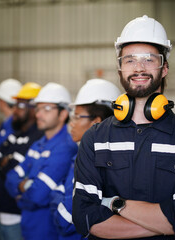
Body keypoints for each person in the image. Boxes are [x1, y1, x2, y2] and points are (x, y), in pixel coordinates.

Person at [72, 15, 175, 240]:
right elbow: (85, 217)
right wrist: (167, 225)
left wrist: (115, 204)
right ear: (120, 68)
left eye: (149, 59)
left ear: (164, 67)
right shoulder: (95, 138)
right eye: (129, 60)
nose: (138, 68)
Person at [5, 82, 78, 240]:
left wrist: (21, 192)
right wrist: (25, 186)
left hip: (47, 230)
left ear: (63, 114)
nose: (38, 114)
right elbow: (10, 178)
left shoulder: (65, 148)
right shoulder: (37, 145)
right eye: (38, 109)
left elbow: (38, 195)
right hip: (29, 226)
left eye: (46, 109)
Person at [49, 79, 121, 240]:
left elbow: (66, 217)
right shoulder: (81, 154)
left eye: (76, 117)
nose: (71, 124)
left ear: (96, 122)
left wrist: (60, 202)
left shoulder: (106, 163)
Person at [0, 82, 44, 240]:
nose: (15, 111)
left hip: (19, 214)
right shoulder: (15, 135)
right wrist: (5, 163)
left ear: (34, 110)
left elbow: (11, 170)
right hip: (3, 208)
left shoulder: (38, 139)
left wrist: (3, 163)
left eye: (20, 106)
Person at [0, 78, 22, 240]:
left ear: (2, 101)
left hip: (9, 195)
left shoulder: (15, 125)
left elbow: (5, 160)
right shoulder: (7, 124)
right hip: (2, 190)